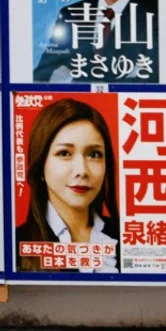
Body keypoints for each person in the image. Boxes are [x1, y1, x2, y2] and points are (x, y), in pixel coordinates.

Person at [16, 98, 120, 273]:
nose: (82, 170)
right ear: (40, 165)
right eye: (64, 153)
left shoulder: (128, 238)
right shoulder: (14, 244)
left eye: (94, 154)